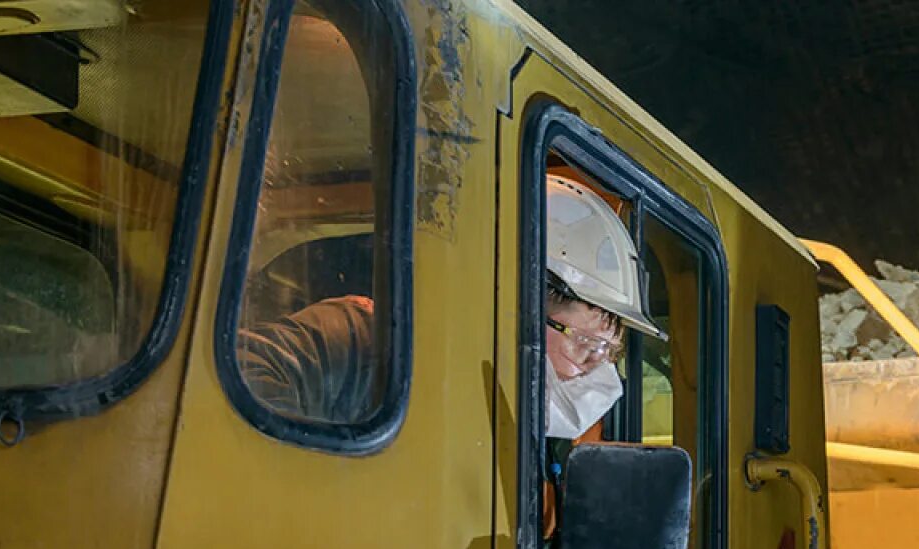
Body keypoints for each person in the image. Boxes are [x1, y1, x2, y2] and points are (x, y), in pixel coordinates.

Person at [238, 173, 663, 443]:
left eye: (609, 354)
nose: (596, 374)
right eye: (589, 345)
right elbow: (243, 373)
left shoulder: (520, 436)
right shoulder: (369, 335)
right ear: (521, 312)